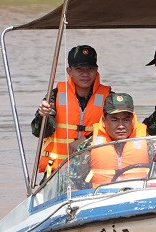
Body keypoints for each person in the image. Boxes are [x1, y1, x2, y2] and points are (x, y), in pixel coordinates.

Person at [31, 44, 113, 176]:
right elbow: (39, 132)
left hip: (95, 170)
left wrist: (86, 140)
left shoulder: (109, 98)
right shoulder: (54, 96)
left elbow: (119, 131)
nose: (85, 74)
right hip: (58, 170)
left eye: (90, 69)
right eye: (79, 69)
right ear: (69, 71)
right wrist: (42, 116)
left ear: (96, 70)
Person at [85, 92, 151, 186]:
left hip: (137, 195)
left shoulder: (147, 141)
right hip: (101, 196)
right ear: (104, 121)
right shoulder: (89, 145)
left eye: (126, 120)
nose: (121, 126)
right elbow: (70, 180)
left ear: (132, 120)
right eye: (114, 120)